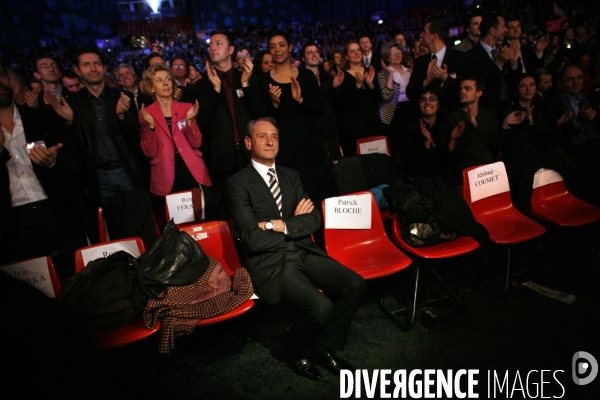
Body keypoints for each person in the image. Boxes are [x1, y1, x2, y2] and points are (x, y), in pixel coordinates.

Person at [225, 117, 366, 381]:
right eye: (262, 136)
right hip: (270, 260)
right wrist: (292, 224)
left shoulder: (290, 175)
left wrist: (275, 224)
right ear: (247, 142)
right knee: (320, 308)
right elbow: (253, 239)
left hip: (302, 250)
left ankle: (322, 347)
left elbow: (313, 220)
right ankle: (292, 349)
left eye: (274, 136)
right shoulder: (237, 183)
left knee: (355, 285)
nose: (269, 141)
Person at [0, 63, 88, 276]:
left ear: (12, 84)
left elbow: (76, 162)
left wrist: (52, 162)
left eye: (0, 75)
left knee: (82, 276)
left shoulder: (42, 118)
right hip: (14, 223)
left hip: (57, 211)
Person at [257, 31, 334, 205]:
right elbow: (261, 119)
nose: (277, 49)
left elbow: (319, 109)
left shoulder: (306, 76)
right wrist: (274, 104)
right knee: (293, 203)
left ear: (290, 47)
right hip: (283, 151)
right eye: (272, 46)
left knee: (319, 198)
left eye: (281, 44)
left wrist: (300, 100)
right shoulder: (262, 81)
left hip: (311, 149)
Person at [195, 31, 265, 191]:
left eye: (218, 44)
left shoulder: (246, 77)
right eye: (210, 45)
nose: (213, 48)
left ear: (231, 50)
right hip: (221, 158)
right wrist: (215, 91)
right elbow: (203, 122)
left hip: (250, 153)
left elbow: (260, 113)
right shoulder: (202, 85)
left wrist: (246, 85)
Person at [139, 64, 210, 196]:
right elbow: (149, 152)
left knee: (201, 214)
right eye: (159, 80)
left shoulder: (187, 108)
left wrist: (189, 121)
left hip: (191, 169)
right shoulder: (146, 114)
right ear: (151, 87)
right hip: (164, 174)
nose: (165, 83)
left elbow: (196, 143)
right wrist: (151, 126)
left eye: (168, 79)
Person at [398, 85, 464, 185]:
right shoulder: (410, 128)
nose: (427, 102)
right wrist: (427, 142)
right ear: (419, 105)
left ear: (439, 104)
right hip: (419, 181)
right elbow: (413, 166)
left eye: (432, 99)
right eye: (423, 100)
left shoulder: (445, 125)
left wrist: (453, 139)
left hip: (442, 179)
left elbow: (449, 162)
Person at [463, 14, 522, 116]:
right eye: (503, 26)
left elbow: (515, 80)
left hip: (508, 108)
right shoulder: (471, 56)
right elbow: (481, 85)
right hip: (487, 111)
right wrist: (499, 64)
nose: (506, 30)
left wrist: (514, 63)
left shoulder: (504, 50)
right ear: (492, 30)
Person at [446, 76, 503, 180]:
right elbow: (455, 152)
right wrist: (472, 126)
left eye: (467, 89)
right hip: (464, 168)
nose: (462, 92)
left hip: (488, 167)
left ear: (479, 93)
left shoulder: (489, 115)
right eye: (460, 89)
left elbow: (494, 145)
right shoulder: (452, 117)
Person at [331, 40, 380, 157]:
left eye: (358, 50)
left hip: (371, 123)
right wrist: (357, 85)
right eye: (352, 51)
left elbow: (378, 99)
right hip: (352, 127)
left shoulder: (370, 71)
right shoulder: (342, 76)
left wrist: (370, 84)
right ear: (347, 56)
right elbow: (344, 105)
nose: (357, 53)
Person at [407, 18, 465, 110]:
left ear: (434, 36)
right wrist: (426, 81)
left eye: (425, 32)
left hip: (452, 114)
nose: (422, 35)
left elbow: (464, 90)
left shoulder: (460, 58)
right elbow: (410, 92)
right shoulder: (420, 62)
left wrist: (445, 78)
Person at [377, 41, 412, 146]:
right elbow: (387, 95)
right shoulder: (382, 74)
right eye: (393, 53)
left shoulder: (410, 71)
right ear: (387, 58)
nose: (397, 55)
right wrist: (390, 74)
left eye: (399, 52)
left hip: (410, 110)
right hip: (391, 113)